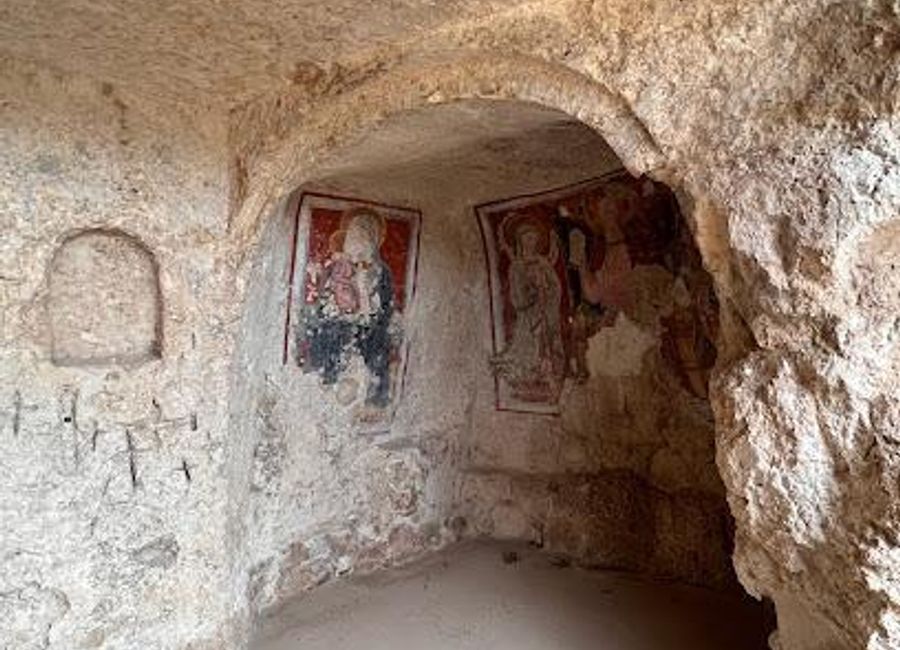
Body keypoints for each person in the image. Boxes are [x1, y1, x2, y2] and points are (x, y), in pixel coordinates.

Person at [302, 207, 396, 408]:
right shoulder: (338, 264)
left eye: (363, 232)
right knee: (324, 331)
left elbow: (381, 312)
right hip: (337, 322)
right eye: (353, 232)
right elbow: (324, 296)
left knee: (375, 348)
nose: (356, 237)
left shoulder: (380, 271)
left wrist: (362, 288)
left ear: (372, 238)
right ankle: (321, 389)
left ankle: (371, 401)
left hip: (370, 329)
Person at [493, 215, 565, 403]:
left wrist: (545, 291)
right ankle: (529, 383)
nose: (530, 241)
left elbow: (556, 286)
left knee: (545, 349)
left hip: (545, 312)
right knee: (527, 352)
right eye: (526, 237)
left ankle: (548, 382)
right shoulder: (516, 265)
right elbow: (516, 295)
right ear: (520, 241)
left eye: (533, 237)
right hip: (527, 316)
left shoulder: (543, 262)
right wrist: (531, 294)